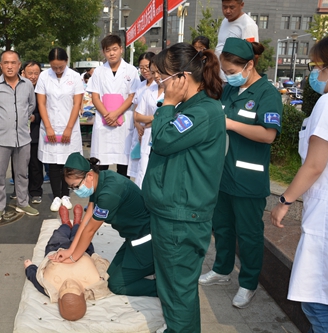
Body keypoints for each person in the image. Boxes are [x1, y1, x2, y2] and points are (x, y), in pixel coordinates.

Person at [141, 43, 225, 333]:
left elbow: (163, 140)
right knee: (175, 289)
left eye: (162, 77)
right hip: (174, 213)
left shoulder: (202, 112)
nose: (158, 83)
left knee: (178, 292)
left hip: (181, 217)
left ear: (181, 77)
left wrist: (166, 103)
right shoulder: (190, 108)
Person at [199, 38, 282, 309]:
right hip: (222, 175)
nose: (229, 77)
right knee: (222, 228)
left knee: (248, 234)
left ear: (249, 65)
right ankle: (222, 270)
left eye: (233, 73)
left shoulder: (266, 93)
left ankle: (248, 283)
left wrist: (231, 124)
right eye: (226, 73)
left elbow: (268, 135)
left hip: (248, 179)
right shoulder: (229, 92)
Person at [271, 35, 328, 333]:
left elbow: (315, 165)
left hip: (327, 214)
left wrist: (284, 201)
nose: (316, 75)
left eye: (319, 68)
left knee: (318, 303)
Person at [52, 153, 156, 298]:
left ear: (88, 175)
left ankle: (164, 288)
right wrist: (70, 251)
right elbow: (87, 220)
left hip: (147, 240)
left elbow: (90, 230)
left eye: (75, 186)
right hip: (133, 238)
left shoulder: (109, 194)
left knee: (116, 285)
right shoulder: (100, 179)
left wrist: (74, 258)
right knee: (109, 275)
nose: (75, 191)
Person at [24, 204, 111, 321]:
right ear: (82, 295)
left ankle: (65, 223)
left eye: (65, 288)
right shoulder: (95, 286)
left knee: (59, 233)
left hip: (56, 249)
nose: (68, 284)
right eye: (73, 288)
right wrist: (95, 260)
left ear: (59, 298)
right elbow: (103, 268)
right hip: (82, 249)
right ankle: (76, 222)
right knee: (78, 233)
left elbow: (36, 279)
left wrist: (30, 267)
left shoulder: (50, 291)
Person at [0, 50, 39, 222]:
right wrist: (0, 121)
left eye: (13, 62)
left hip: (23, 137)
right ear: (1, 65)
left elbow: (31, 105)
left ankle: (23, 201)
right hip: (0, 137)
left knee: (22, 173)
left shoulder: (27, 84)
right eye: (6, 63)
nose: (10, 66)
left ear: (19, 65)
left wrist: (20, 119)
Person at [36, 48, 85, 212]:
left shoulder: (75, 77)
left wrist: (69, 128)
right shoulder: (44, 76)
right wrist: (48, 127)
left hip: (69, 124)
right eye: (54, 67)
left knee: (67, 161)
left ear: (67, 61)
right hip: (50, 125)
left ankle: (66, 194)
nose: (57, 70)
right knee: (53, 162)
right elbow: (41, 103)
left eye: (61, 67)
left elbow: (77, 103)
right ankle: (56, 196)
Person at [86, 35, 140, 177]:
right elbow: (95, 97)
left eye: (115, 49)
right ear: (104, 52)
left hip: (123, 121)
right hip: (103, 123)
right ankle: (100, 198)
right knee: (100, 166)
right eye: (108, 50)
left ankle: (122, 198)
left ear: (121, 49)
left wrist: (115, 114)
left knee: (123, 167)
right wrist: (107, 115)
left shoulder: (131, 70)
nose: (112, 53)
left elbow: (132, 96)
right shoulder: (98, 72)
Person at [133, 57, 165, 189]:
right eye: (153, 73)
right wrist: (155, 118)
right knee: (143, 169)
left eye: (158, 72)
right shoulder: (149, 92)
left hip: (164, 136)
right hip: (148, 136)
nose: (156, 76)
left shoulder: (175, 92)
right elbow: (137, 115)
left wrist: (150, 120)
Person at [128, 52, 156, 181]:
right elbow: (136, 108)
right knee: (139, 168)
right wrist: (138, 125)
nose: (144, 71)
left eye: (147, 67)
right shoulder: (141, 85)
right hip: (140, 129)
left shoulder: (159, 85)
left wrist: (146, 124)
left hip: (152, 129)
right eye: (141, 68)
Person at [215, 0, 258, 81]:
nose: (227, 11)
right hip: (220, 76)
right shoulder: (224, 21)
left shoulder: (247, 25)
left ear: (241, 5)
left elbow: (254, 54)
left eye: (232, 7)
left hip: (234, 79)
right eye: (224, 7)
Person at [23, 61, 44, 204]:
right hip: (18, 133)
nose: (33, 76)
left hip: (35, 132)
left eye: (36, 73)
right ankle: (20, 191)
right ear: (23, 73)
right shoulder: (18, 88)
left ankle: (36, 191)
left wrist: (34, 117)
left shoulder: (42, 90)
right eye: (30, 73)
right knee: (19, 165)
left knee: (35, 165)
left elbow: (46, 110)